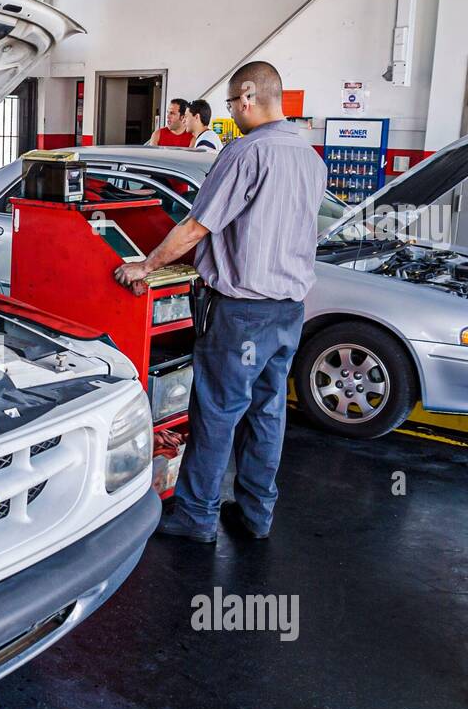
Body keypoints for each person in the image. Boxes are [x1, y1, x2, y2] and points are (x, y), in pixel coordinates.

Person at [113, 61, 327, 545]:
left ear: (248, 96)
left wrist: (145, 267)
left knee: (217, 411)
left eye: (232, 102)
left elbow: (196, 226)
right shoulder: (309, 156)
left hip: (241, 313)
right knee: (268, 413)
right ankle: (256, 513)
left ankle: (195, 517)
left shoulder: (246, 152)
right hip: (289, 310)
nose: (232, 111)